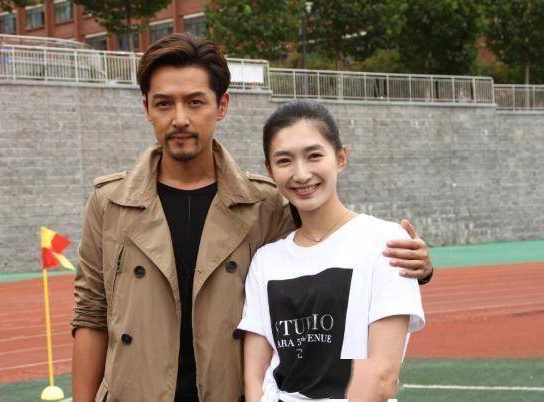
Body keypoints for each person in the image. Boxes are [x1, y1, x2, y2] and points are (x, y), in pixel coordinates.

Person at [71, 33, 433, 402]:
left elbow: (323, 254)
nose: (180, 118)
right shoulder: (110, 203)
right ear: (146, 107)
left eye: (195, 102)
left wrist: (416, 266)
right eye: (164, 104)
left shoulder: (264, 204)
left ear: (221, 105)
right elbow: (90, 314)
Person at [240, 101, 425, 402]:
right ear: (269, 171)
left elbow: (382, 377)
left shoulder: (385, 242)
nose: (301, 174)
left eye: (314, 155)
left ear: (340, 158)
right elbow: (255, 374)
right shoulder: (265, 260)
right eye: (284, 161)